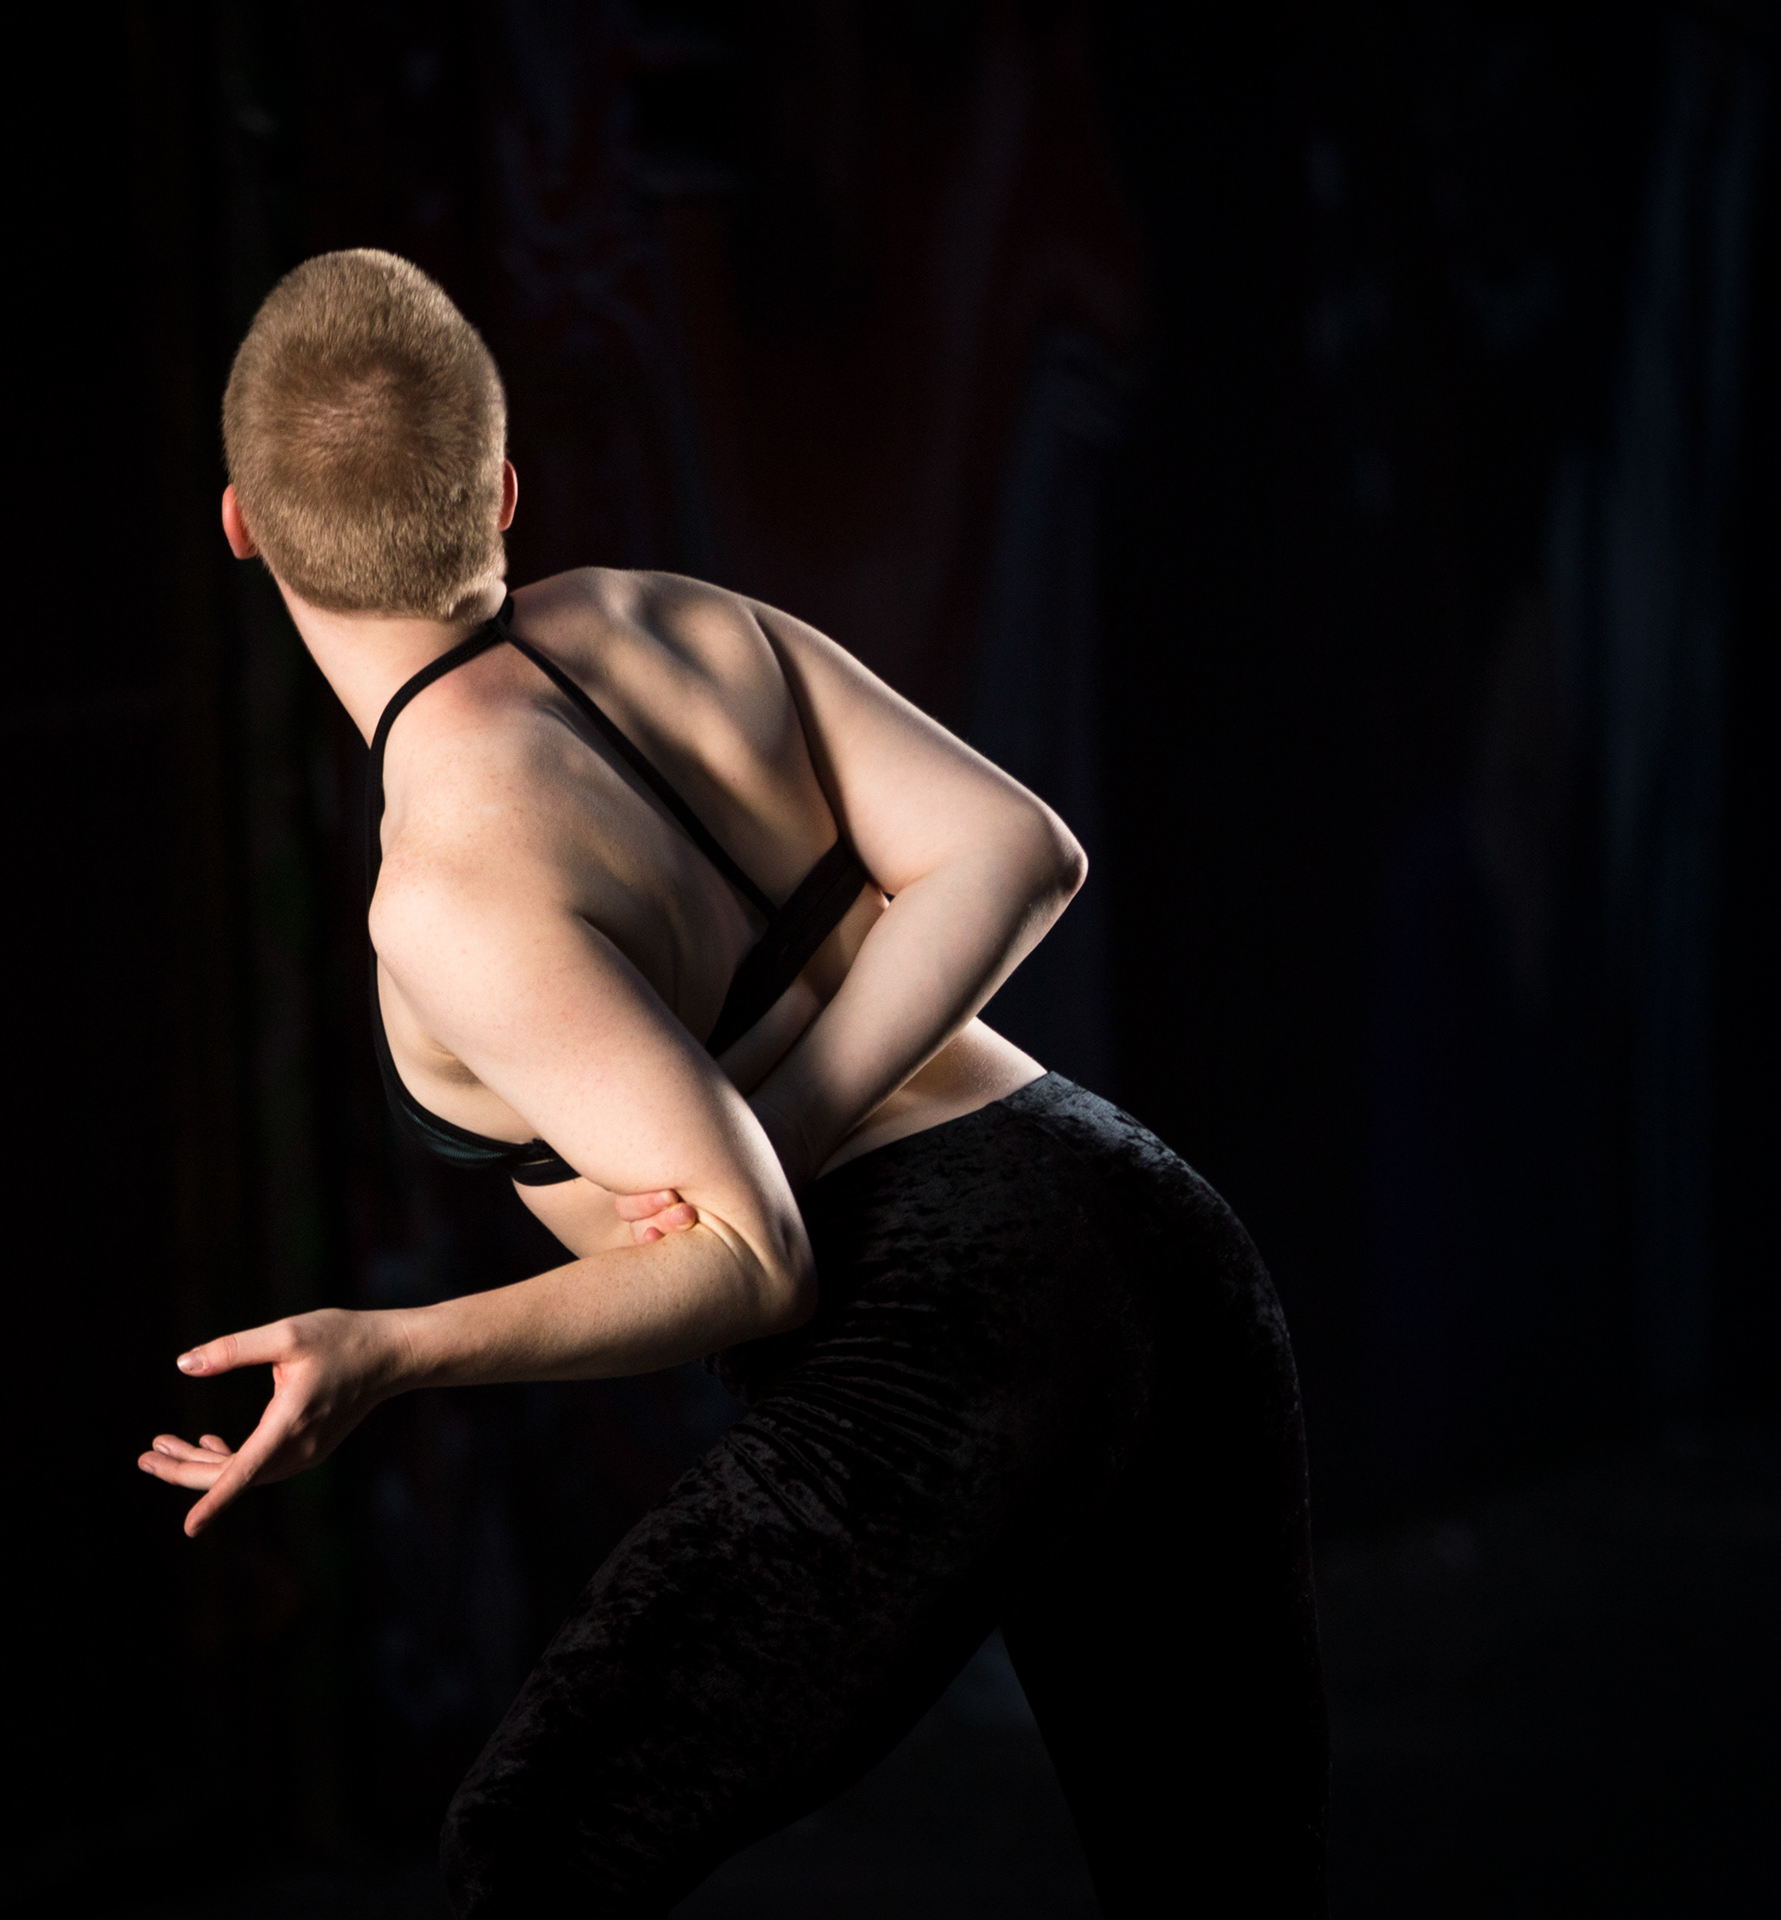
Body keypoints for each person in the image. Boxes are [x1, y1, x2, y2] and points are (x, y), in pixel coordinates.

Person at [139, 249, 1329, 1916]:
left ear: (241, 527)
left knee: (537, 1852)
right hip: (1147, 1220)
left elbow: (757, 1257)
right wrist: (779, 1130)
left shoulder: (447, 882)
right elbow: (1011, 850)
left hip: (946, 1326)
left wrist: (395, 1351)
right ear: (501, 491)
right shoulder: (668, 620)